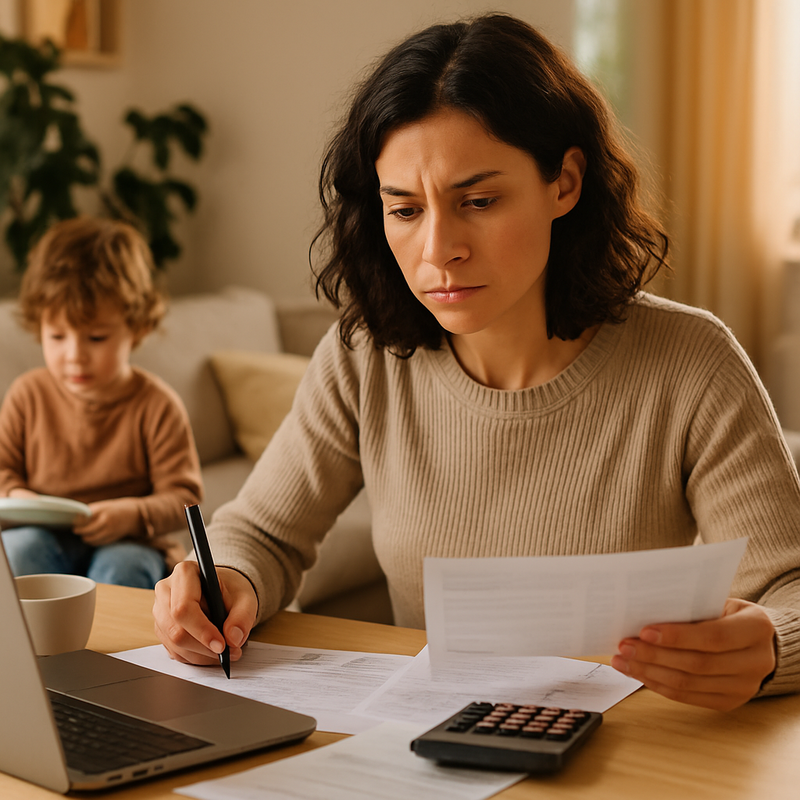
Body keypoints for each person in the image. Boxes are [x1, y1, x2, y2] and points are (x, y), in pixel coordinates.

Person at [153, 13, 800, 711]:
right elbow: (263, 534)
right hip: (433, 751)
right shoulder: (364, 356)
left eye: (480, 201)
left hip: (634, 753)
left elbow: (789, 589)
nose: (439, 251)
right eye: (404, 210)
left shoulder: (691, 362)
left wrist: (770, 647)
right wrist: (222, 580)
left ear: (566, 182)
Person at [0, 216, 203, 588]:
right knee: (18, 551)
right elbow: (3, 472)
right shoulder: (26, 395)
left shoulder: (156, 404)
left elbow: (185, 497)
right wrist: (20, 496)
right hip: (42, 535)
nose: (74, 355)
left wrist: (132, 513)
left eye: (95, 338)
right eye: (57, 335)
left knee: (123, 568)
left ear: (136, 327)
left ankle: (112, 650)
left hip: (129, 542)